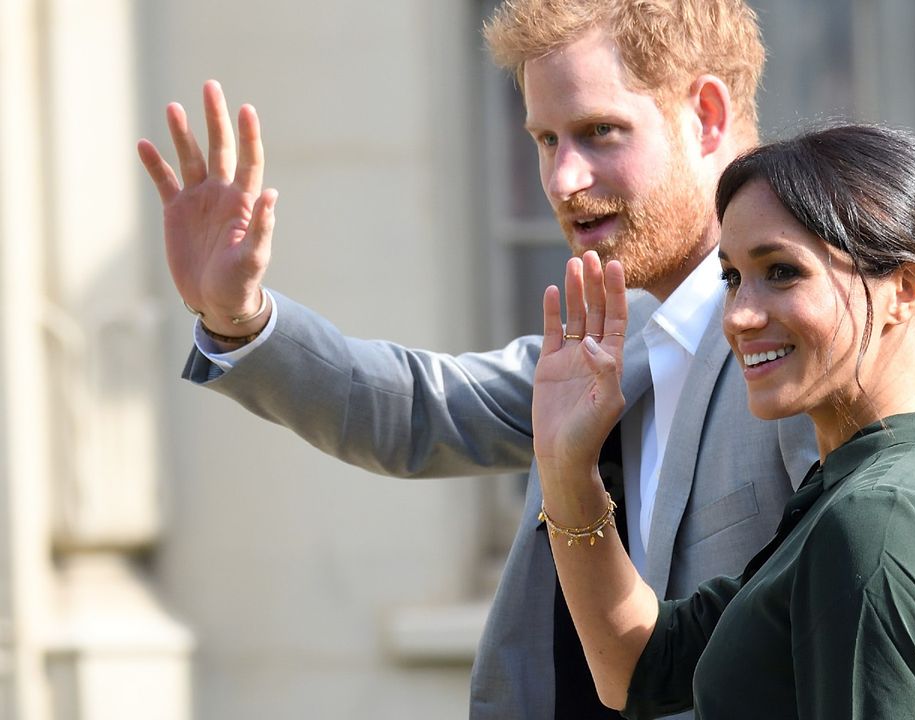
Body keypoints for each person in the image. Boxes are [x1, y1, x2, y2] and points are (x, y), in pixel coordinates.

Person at [136, 1, 816, 718]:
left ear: (706, 116)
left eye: (598, 132)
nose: (563, 180)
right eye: (546, 140)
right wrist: (237, 317)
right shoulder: (618, 334)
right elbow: (414, 409)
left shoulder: (808, 345)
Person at [530, 123, 915, 718]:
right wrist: (567, 468)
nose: (740, 316)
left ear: (904, 288)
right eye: (731, 278)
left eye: (782, 272)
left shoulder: (879, 518)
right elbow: (640, 666)